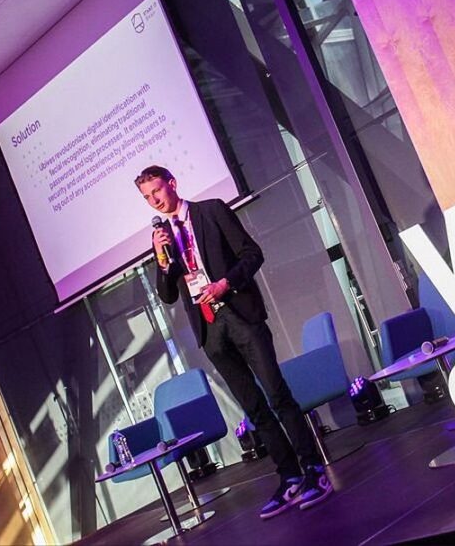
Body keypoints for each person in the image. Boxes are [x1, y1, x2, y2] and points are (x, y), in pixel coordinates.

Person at [135, 165, 332, 518]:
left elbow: (252, 254)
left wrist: (225, 283)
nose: (154, 201)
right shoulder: (163, 238)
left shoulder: (211, 211)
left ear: (172, 184)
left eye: (157, 191)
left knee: (277, 396)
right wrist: (162, 260)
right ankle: (289, 476)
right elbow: (167, 295)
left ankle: (314, 470)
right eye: (147, 197)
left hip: (240, 313)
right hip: (210, 330)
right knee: (254, 408)